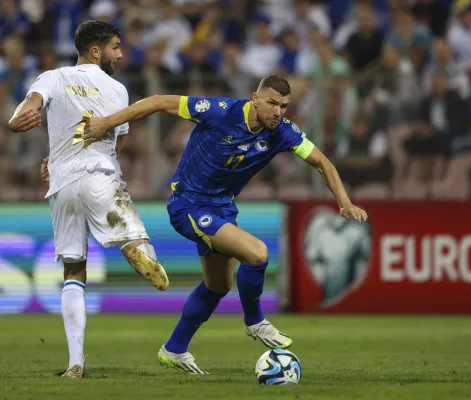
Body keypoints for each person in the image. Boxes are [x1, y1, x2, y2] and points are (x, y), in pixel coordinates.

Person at [81, 74, 368, 374]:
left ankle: (175, 348)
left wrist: (344, 202)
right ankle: (255, 321)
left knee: (218, 285)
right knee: (257, 253)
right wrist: (106, 123)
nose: (277, 112)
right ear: (254, 98)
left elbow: (323, 162)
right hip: (188, 205)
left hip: (223, 209)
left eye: (283, 106)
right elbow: (157, 101)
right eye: (271, 103)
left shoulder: (283, 132)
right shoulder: (219, 110)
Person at [9, 20, 170, 379]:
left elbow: (29, 106)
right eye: (116, 46)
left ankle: (75, 362)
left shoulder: (53, 76)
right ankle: (135, 248)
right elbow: (120, 143)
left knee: (73, 270)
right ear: (95, 51)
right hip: (99, 176)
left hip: (62, 184)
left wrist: (17, 121)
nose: (121, 53)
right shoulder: (117, 89)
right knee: (136, 239)